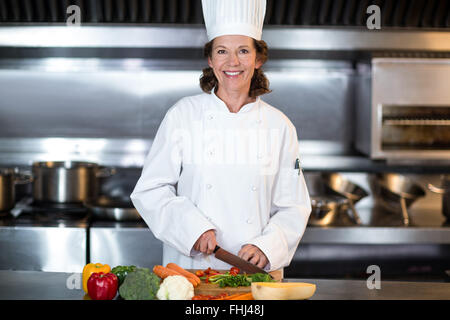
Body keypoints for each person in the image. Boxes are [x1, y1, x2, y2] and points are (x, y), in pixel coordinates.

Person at [130, 0, 311, 272]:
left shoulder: (280, 126)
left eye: (243, 51)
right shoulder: (183, 116)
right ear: (211, 59)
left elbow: (294, 205)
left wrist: (267, 247)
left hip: (254, 275)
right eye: (222, 51)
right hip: (191, 270)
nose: (233, 62)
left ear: (258, 59)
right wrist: (192, 230)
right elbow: (150, 190)